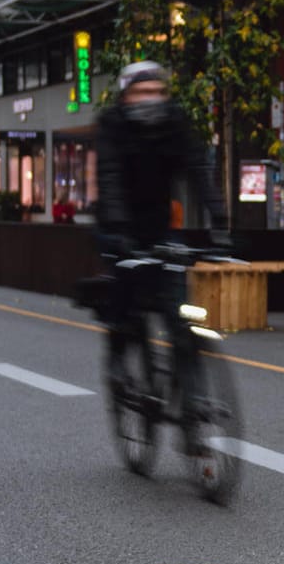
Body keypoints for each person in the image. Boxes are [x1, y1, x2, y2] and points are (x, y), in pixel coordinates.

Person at [94, 61, 229, 435]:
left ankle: (196, 398)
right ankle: (118, 362)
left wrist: (219, 221)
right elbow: (109, 177)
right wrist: (120, 232)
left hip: (160, 228)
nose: (151, 99)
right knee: (124, 297)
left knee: (180, 316)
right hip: (117, 224)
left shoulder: (175, 122)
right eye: (141, 92)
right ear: (125, 97)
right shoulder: (113, 125)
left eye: (157, 91)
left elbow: (199, 170)